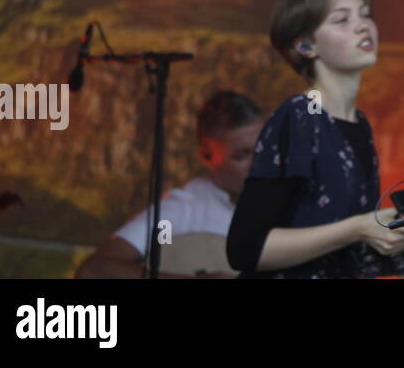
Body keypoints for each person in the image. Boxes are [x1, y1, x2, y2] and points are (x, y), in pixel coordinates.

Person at [225, 0, 404, 278]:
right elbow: (245, 249)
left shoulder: (358, 123)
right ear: (306, 46)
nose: (363, 25)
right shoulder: (299, 117)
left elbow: (349, 256)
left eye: (365, 14)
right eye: (341, 19)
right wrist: (358, 229)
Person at [75, 90, 263, 279]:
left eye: (263, 148)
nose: (259, 163)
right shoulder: (181, 210)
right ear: (206, 154)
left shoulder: (286, 205)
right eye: (241, 156)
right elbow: (93, 271)